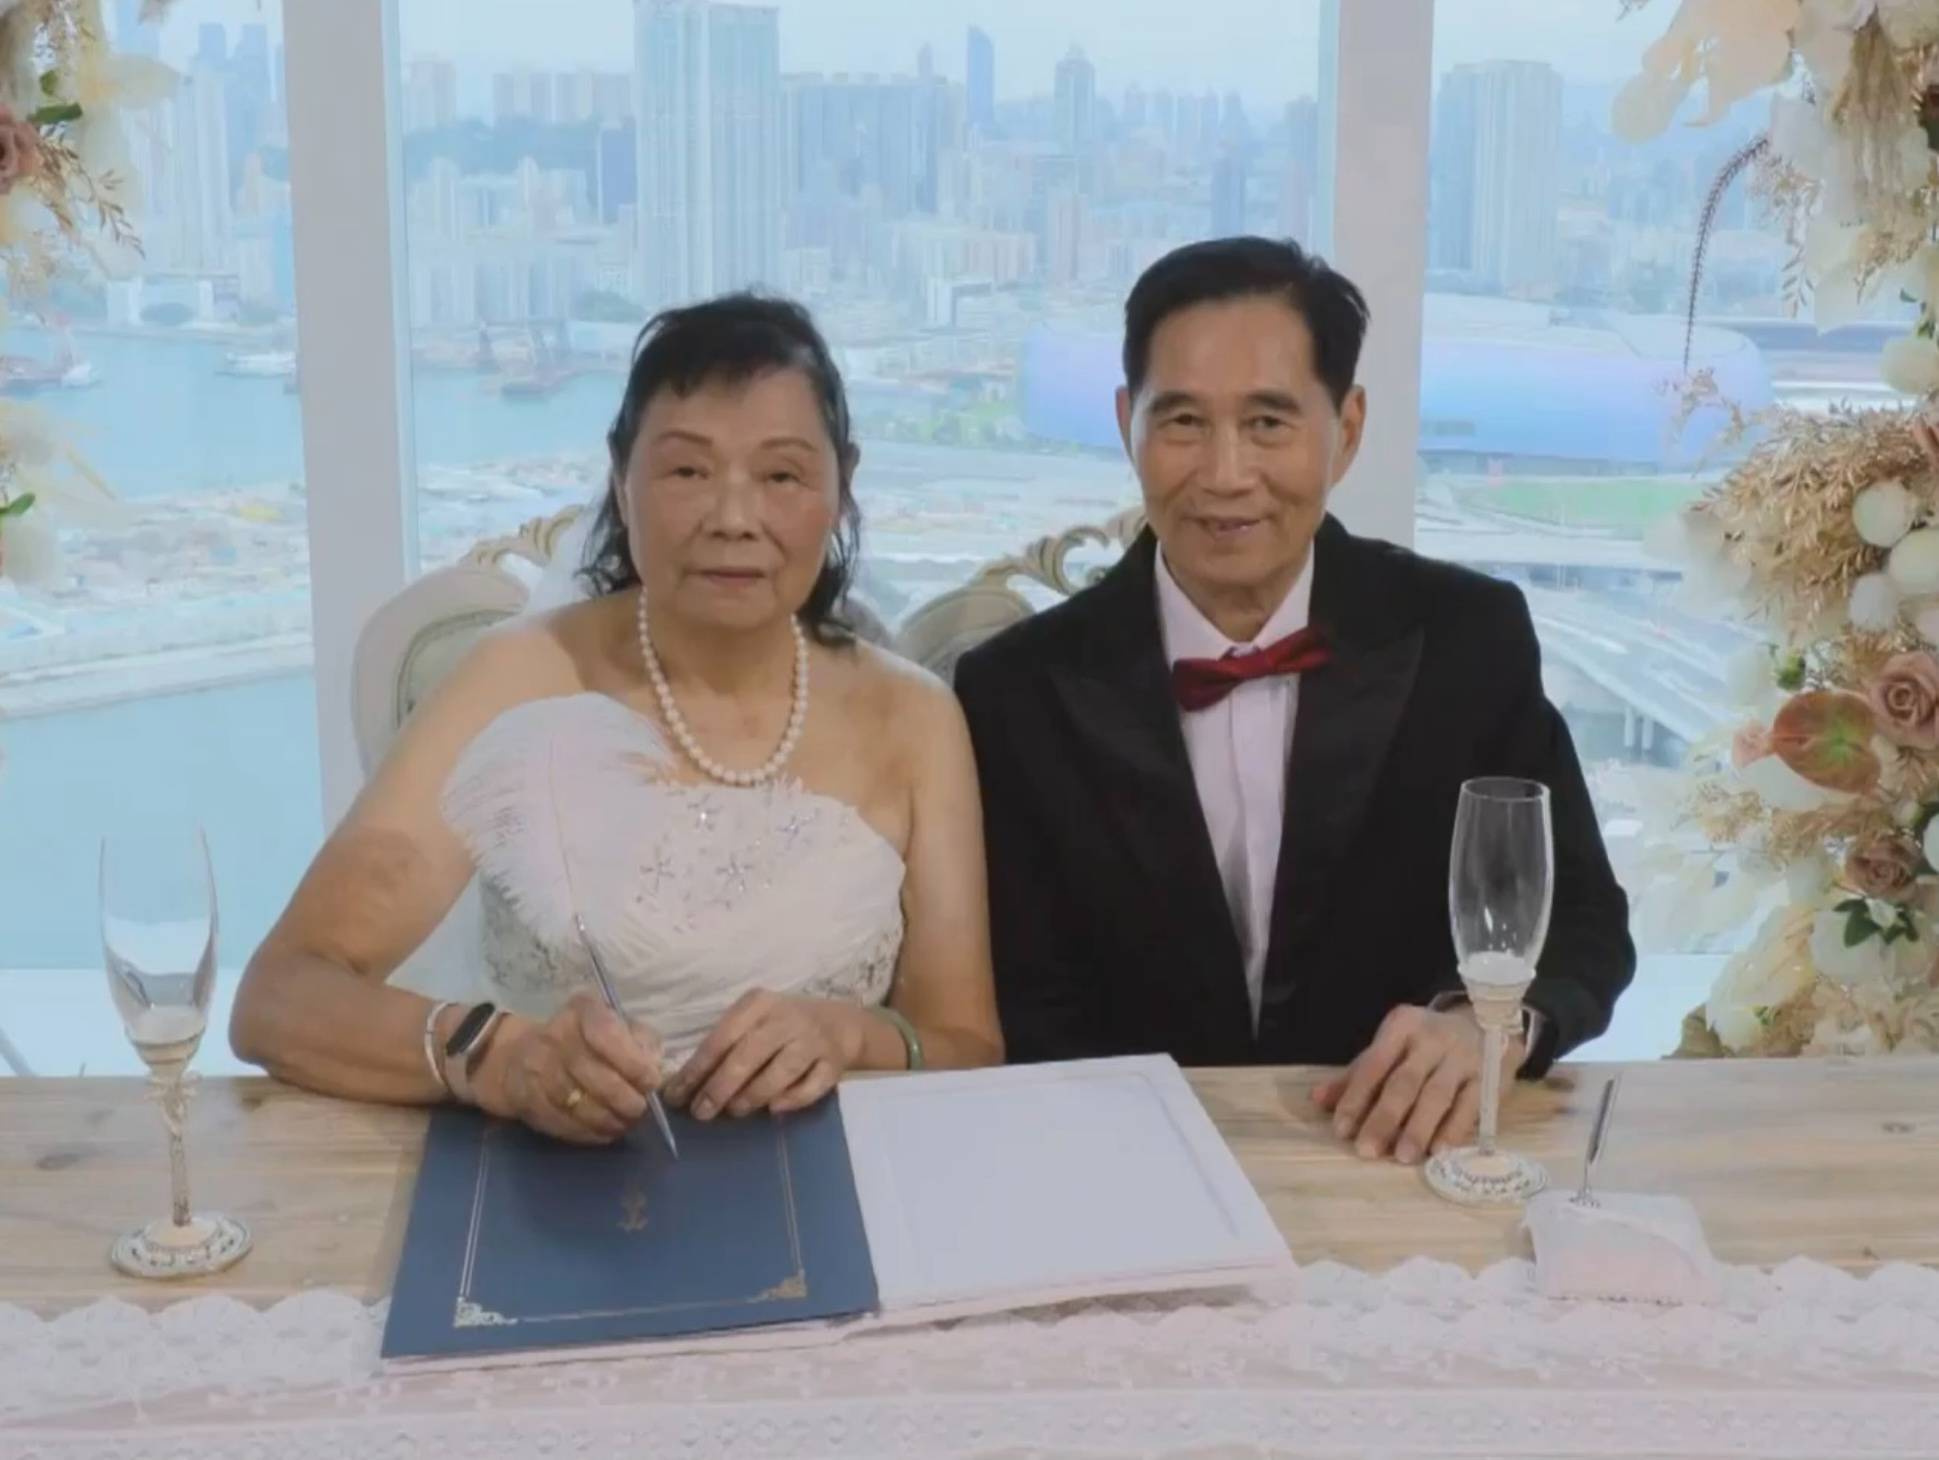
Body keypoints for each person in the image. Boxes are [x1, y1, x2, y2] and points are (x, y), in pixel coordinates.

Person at [233, 294, 1002, 1144]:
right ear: (620, 480)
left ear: (841, 488)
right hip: (546, 1170)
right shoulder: (513, 681)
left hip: (826, 1183)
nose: (733, 519)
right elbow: (280, 996)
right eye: (687, 472)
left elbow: (967, 1048)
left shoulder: (915, 720)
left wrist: (852, 1035)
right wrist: (499, 1058)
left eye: (781, 476)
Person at [954, 237, 1633, 1166]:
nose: (1225, 474)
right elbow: (1017, 1003)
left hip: (1400, 1154)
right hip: (1119, 1166)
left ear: (1346, 428)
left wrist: (1483, 1027)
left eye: (1268, 422)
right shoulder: (1015, 691)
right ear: (1125, 423)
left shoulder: (1467, 640)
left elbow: (1581, 923)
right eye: (1182, 421)